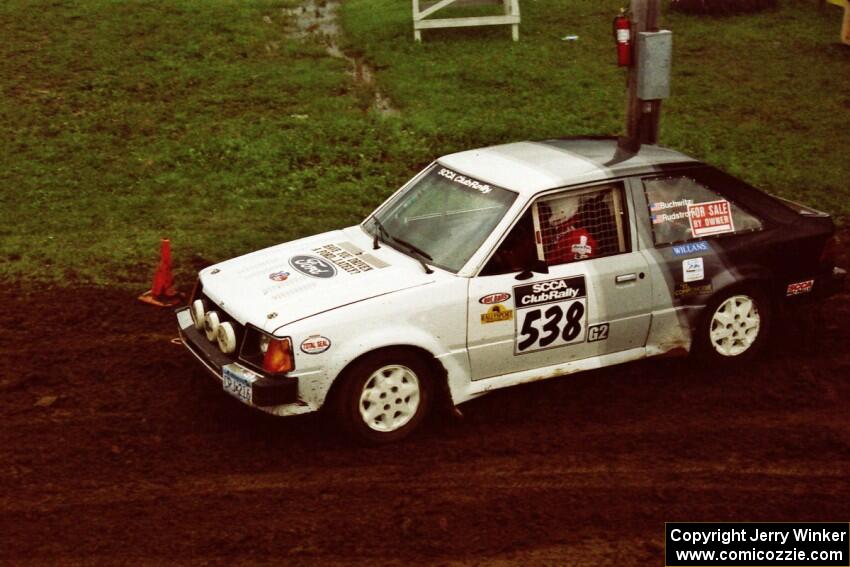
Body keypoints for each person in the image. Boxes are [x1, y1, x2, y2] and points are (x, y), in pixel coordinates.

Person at [544, 196, 598, 264]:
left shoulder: (578, 237)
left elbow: (576, 268)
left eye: (550, 209)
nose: (549, 214)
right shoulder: (561, 234)